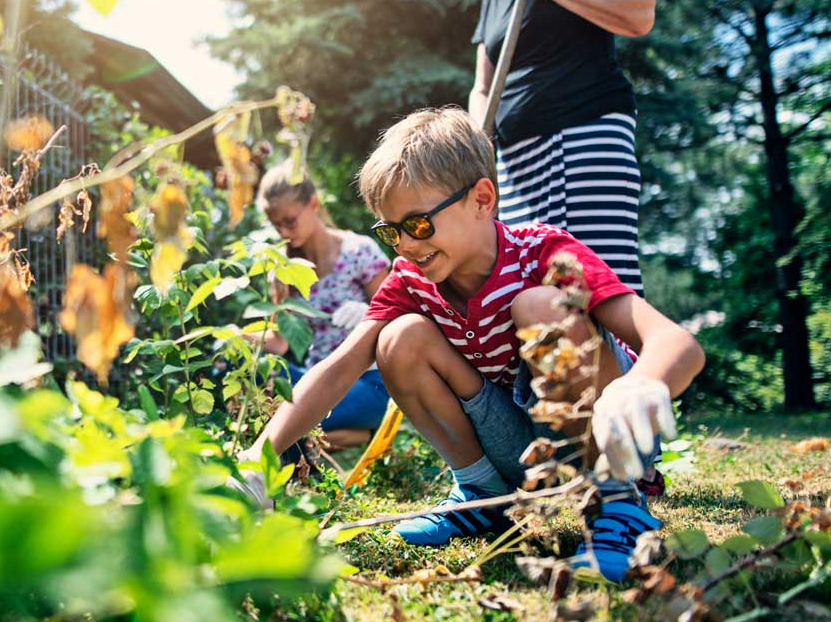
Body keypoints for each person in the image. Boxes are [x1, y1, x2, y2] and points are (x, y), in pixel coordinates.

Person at [233, 108, 703, 582]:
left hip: (606, 429)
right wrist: (259, 457)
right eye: (390, 231)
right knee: (397, 339)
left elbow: (676, 342)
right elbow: (338, 368)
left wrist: (640, 386)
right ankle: (482, 494)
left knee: (537, 307)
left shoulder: (544, 253)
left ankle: (620, 502)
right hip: (520, 446)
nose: (405, 246)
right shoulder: (411, 281)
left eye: (417, 224)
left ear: (482, 199)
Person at [442, 0, 656, 297]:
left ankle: (629, 363)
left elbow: (639, 11)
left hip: (585, 132)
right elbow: (482, 87)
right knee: (537, 291)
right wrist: (477, 146)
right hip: (517, 162)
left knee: (597, 283)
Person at [254, 160, 392, 451]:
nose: (283, 232)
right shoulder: (285, 270)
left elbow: (401, 317)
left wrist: (368, 314)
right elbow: (280, 343)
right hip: (313, 381)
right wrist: (232, 341)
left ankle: (295, 436)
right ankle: (351, 437)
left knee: (280, 423)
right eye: (275, 224)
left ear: (313, 204)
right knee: (251, 373)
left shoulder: (358, 251)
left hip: (366, 380)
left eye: (289, 221)